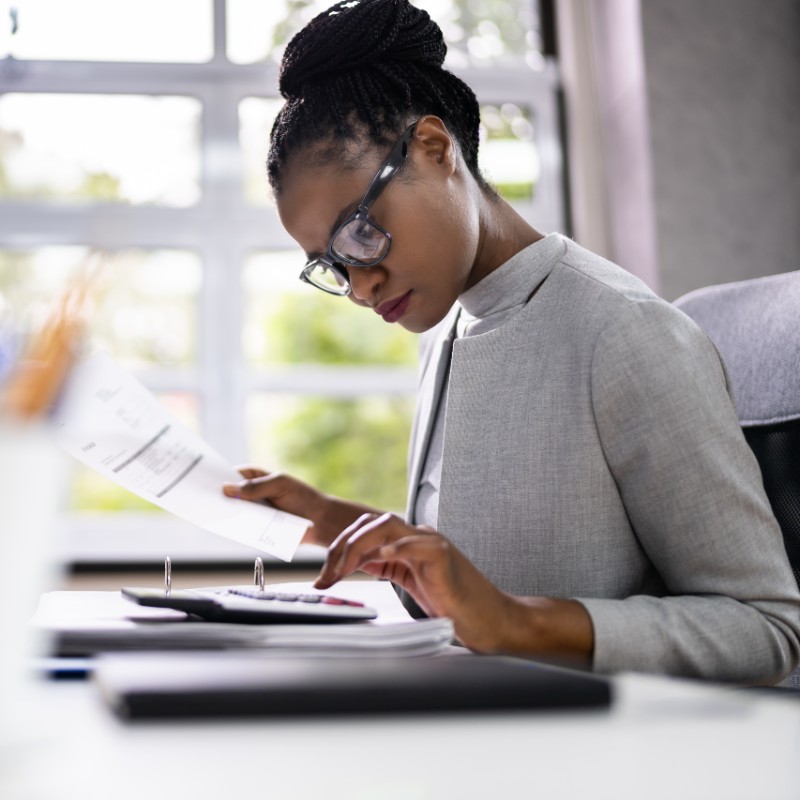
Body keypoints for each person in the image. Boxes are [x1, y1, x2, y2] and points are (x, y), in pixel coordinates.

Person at [223, 0, 800, 683]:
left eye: (359, 233)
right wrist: (327, 516)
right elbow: (476, 573)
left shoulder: (624, 333)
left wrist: (517, 622)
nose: (358, 285)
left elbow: (767, 628)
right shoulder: (450, 329)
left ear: (436, 151)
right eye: (333, 263)